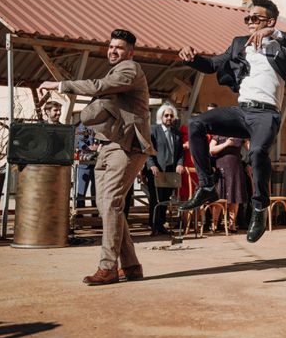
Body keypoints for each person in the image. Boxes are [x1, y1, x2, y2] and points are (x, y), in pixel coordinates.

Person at [177, 0, 286, 243]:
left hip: (267, 113)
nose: (249, 22)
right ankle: (206, 187)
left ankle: (259, 207)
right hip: (241, 111)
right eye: (247, 18)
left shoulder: (281, 46)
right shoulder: (239, 44)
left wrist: (274, 32)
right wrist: (192, 58)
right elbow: (213, 64)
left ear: (270, 20)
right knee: (196, 123)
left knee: (257, 152)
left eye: (254, 18)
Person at [39, 29, 153, 285]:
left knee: (111, 202)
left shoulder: (130, 69)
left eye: (119, 47)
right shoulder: (116, 71)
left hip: (127, 146)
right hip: (108, 147)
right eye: (111, 46)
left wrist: (60, 85)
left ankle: (108, 267)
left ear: (130, 52)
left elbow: (100, 87)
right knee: (107, 207)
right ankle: (132, 266)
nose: (113, 50)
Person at [145, 102, 184, 235]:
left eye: (171, 116)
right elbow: (148, 150)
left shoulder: (177, 134)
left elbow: (180, 153)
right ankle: (154, 225)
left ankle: (161, 224)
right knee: (156, 199)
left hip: (171, 171)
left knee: (166, 199)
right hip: (156, 171)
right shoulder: (153, 130)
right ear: (161, 117)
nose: (168, 118)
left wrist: (180, 163)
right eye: (166, 115)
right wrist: (152, 165)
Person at [209, 136, 246, 232]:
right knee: (219, 197)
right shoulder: (218, 134)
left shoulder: (240, 134)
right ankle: (214, 224)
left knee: (235, 197)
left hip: (236, 169)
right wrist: (226, 144)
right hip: (222, 169)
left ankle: (232, 224)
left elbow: (251, 148)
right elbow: (211, 150)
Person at [76, 122, 98, 209]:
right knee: (82, 190)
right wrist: (88, 148)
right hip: (84, 163)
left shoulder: (100, 123)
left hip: (97, 161)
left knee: (96, 190)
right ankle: (79, 213)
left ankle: (95, 213)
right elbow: (80, 141)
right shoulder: (83, 124)